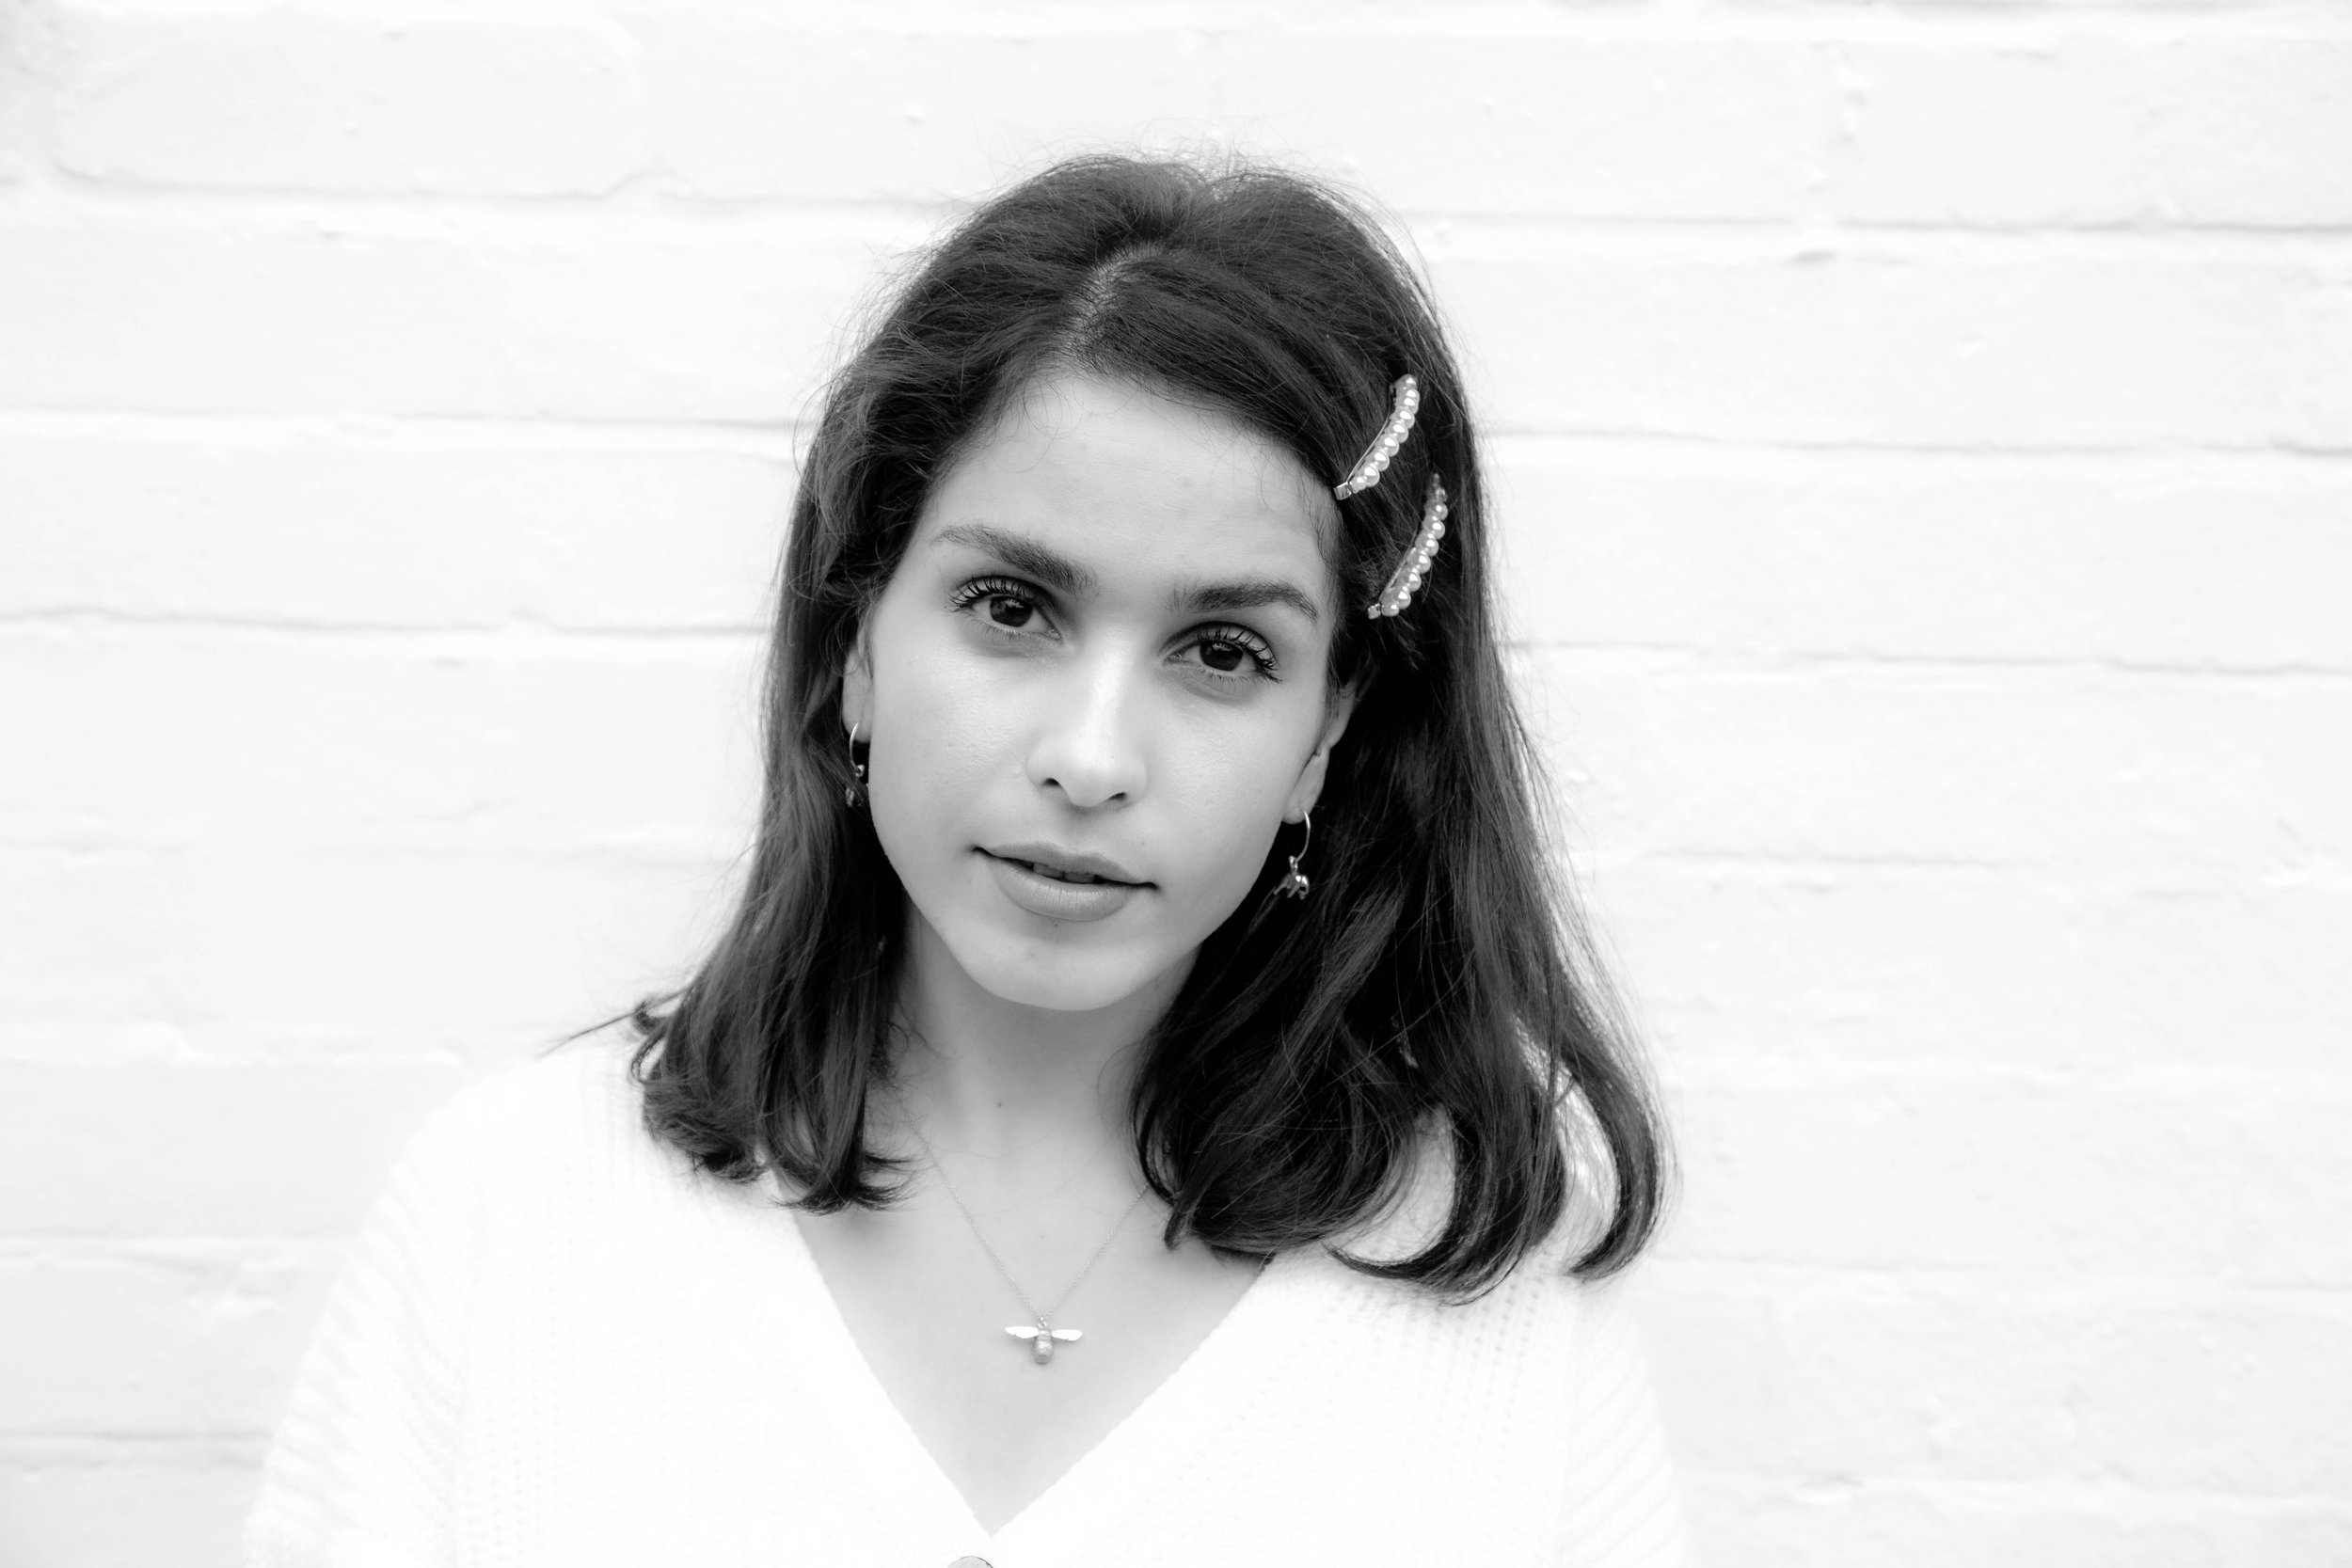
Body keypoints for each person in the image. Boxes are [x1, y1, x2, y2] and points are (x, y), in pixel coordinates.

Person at [246, 153, 1685, 1567]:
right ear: (858, 641)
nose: (1092, 758)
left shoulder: (1506, 1311)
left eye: (1223, 651)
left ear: (1327, 733)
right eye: (1010, 607)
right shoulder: (514, 1215)